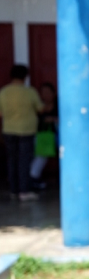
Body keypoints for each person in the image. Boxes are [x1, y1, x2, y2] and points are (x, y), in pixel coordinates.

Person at [0, 65, 43, 201]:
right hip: (26, 130)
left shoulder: (4, 92)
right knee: (24, 161)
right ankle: (24, 191)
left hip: (8, 130)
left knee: (12, 160)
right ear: (25, 77)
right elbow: (40, 108)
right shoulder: (30, 92)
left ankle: (14, 190)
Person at [30, 82, 59, 190]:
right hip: (41, 136)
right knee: (38, 150)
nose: (45, 95)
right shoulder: (38, 106)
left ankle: (33, 176)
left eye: (48, 92)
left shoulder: (59, 105)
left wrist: (54, 119)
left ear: (53, 93)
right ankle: (33, 177)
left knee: (43, 150)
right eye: (43, 93)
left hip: (57, 137)